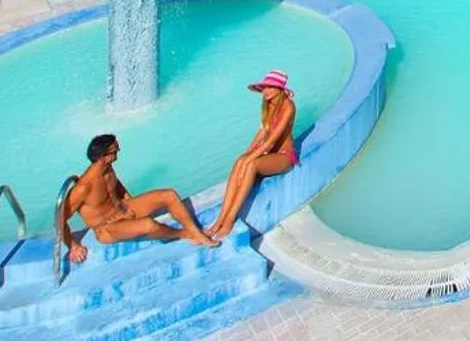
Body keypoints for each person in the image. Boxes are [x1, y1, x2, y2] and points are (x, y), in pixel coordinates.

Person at [58, 134, 216, 260]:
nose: (119, 151)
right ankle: (184, 234)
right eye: (115, 150)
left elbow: (116, 188)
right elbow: (60, 219)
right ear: (102, 157)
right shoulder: (83, 187)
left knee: (169, 195)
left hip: (122, 210)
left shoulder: (108, 169)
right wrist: (72, 245)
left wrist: (128, 205)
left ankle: (195, 231)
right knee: (149, 225)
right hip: (107, 229)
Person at [207, 70, 297, 238]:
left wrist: (250, 158)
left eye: (270, 87)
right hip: (270, 153)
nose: (265, 91)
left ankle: (229, 220)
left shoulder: (288, 106)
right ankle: (220, 218)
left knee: (252, 163)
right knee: (240, 160)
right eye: (264, 88)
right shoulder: (268, 104)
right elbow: (263, 131)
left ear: (280, 88)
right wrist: (247, 153)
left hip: (284, 156)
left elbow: (272, 140)